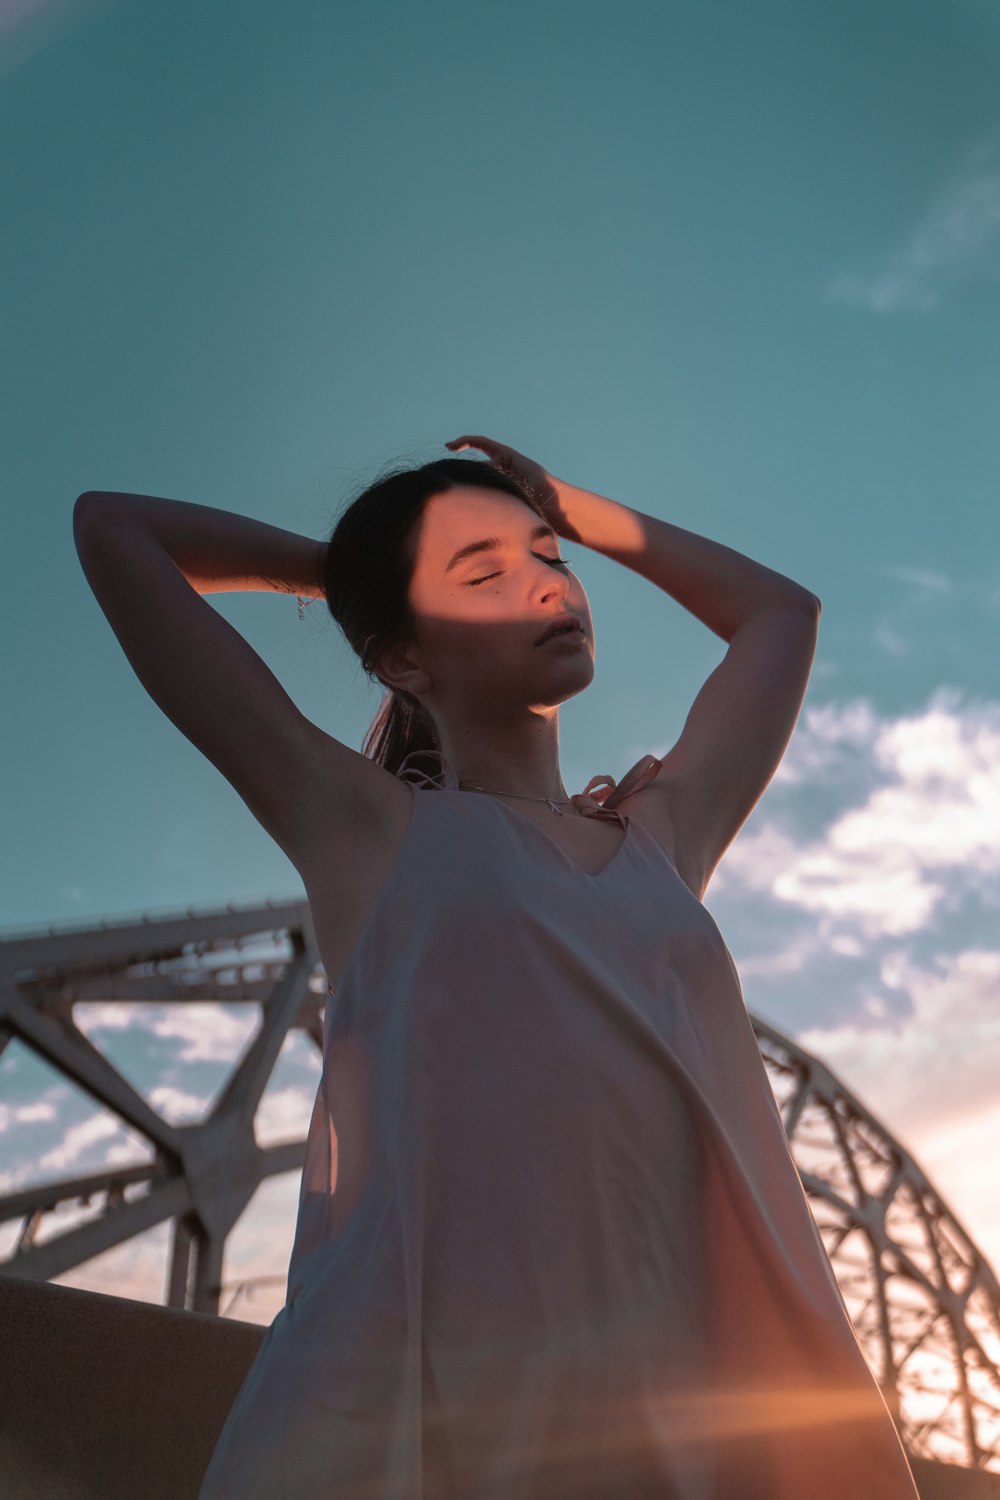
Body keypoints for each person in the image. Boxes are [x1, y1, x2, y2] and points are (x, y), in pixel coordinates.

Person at [73, 438, 920, 1498]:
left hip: (684, 1397)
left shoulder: (666, 832)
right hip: (439, 1402)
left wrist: (568, 506)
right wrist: (344, 576)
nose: (545, 583)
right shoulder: (361, 829)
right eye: (482, 574)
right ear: (403, 660)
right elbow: (113, 528)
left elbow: (779, 615)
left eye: (549, 557)